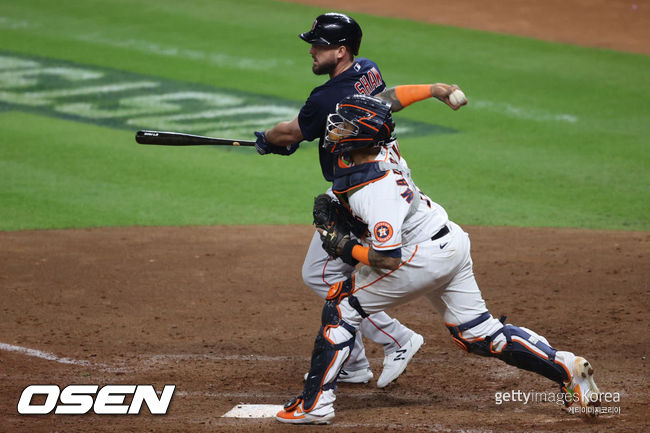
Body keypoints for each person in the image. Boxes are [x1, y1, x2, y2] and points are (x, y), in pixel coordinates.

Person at [274, 94, 601, 424]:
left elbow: (387, 258)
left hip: (423, 256)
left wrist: (347, 248)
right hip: (449, 241)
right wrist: (432, 89)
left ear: (363, 135)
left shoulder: (377, 191)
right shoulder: (381, 149)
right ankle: (566, 368)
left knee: (341, 304)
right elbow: (385, 104)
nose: (335, 130)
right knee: (478, 334)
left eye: (345, 126)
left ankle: (316, 402)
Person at [254, 12, 467, 387]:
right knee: (329, 275)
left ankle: (396, 339)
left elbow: (291, 132)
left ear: (340, 51)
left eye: (318, 45)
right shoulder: (367, 69)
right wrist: (433, 89)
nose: (311, 51)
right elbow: (387, 100)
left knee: (323, 275)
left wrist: (268, 141)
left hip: (363, 190)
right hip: (387, 173)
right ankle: (354, 363)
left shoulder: (326, 96)